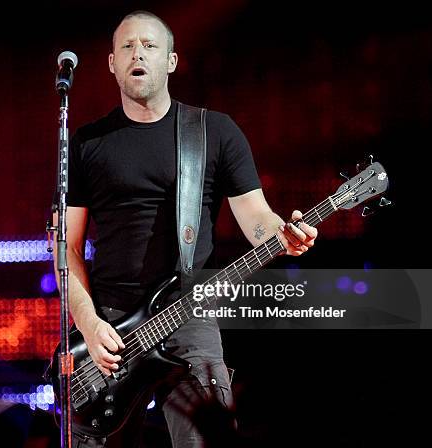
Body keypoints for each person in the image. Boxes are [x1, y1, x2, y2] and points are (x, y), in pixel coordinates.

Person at [54, 10, 318, 448]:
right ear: (111, 64)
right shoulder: (86, 143)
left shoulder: (214, 132)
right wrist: (87, 323)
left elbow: (257, 218)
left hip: (190, 317)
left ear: (172, 61)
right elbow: (68, 248)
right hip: (110, 328)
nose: (138, 52)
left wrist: (282, 233)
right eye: (127, 46)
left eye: (150, 45)